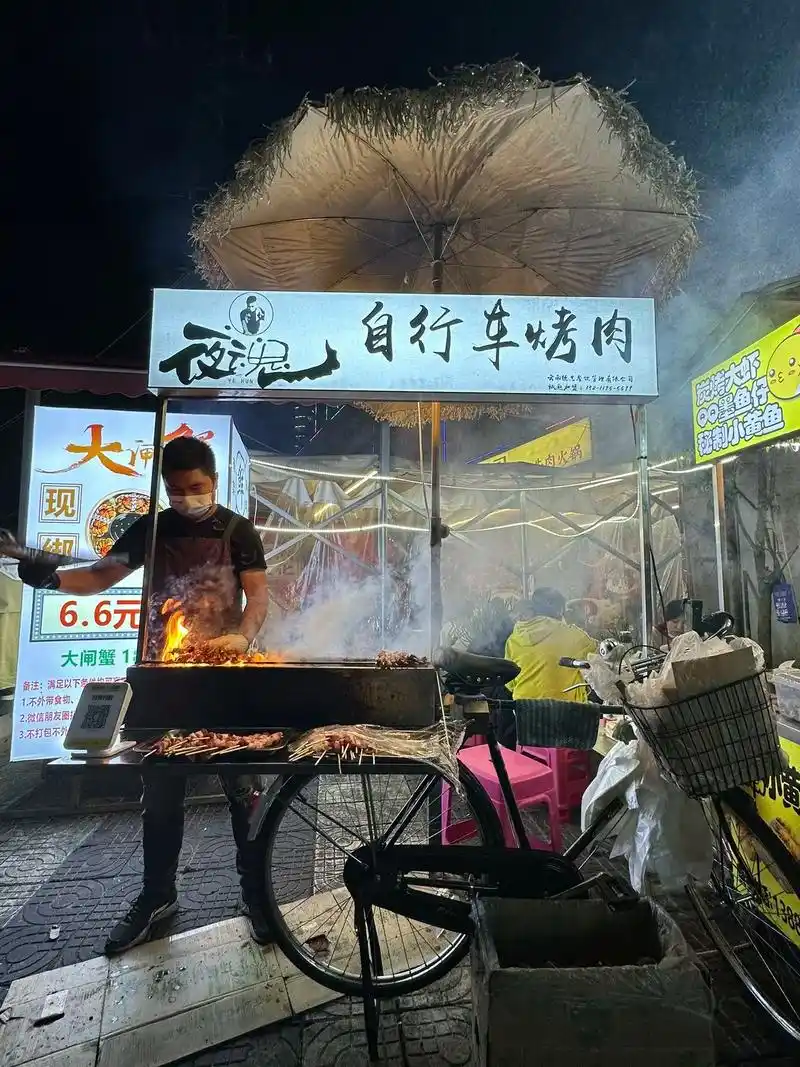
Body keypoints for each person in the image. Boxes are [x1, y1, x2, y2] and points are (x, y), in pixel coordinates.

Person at [17, 437, 270, 954]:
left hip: (224, 675)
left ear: (213, 482)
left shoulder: (238, 531)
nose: (185, 497)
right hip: (161, 674)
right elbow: (99, 577)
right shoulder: (151, 528)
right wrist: (50, 579)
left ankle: (257, 895)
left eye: (196, 488)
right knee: (159, 792)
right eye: (175, 490)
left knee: (243, 789)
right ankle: (157, 895)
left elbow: (259, 598)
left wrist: (241, 638)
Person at [504, 588, 597, 703]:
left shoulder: (514, 638)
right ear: (559, 611)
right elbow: (601, 659)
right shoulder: (573, 635)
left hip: (526, 709)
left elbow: (509, 682)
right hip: (566, 709)